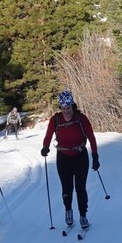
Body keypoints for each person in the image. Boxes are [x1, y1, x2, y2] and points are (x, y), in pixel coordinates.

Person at [39, 89, 99, 230]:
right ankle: (68, 210)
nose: (66, 111)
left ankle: (83, 215)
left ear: (73, 106)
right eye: (64, 108)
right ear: (61, 108)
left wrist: (95, 156)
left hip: (80, 156)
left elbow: (91, 136)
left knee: (80, 187)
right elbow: (48, 136)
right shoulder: (56, 119)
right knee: (67, 188)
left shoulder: (81, 118)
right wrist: (45, 147)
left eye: (69, 108)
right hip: (63, 158)